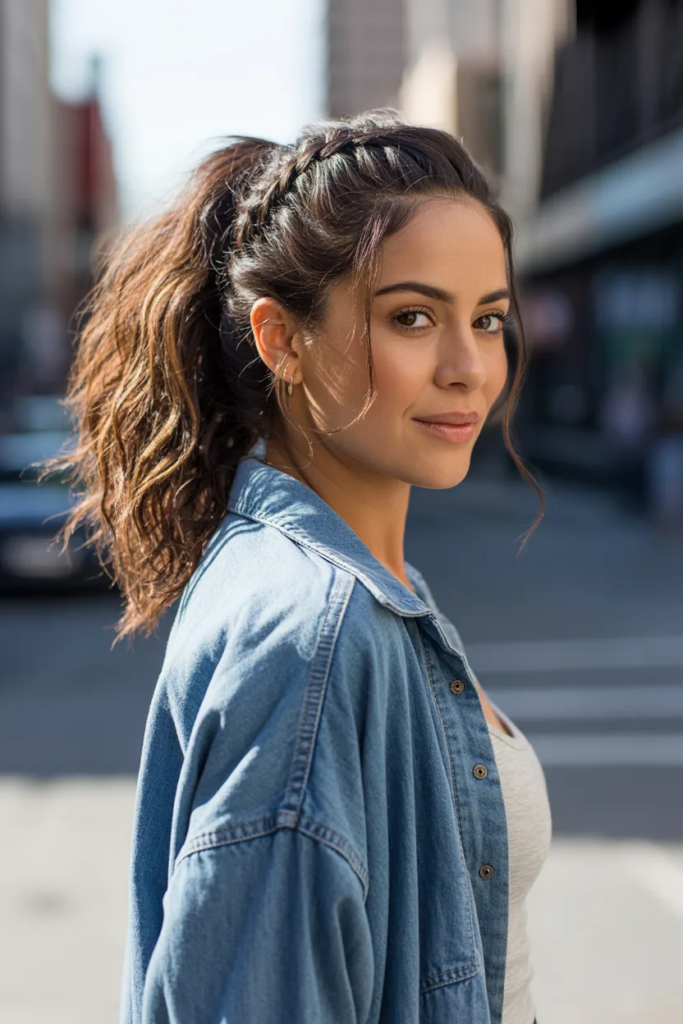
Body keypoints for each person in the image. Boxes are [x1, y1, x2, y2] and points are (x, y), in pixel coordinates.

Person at [57, 110, 552, 1024]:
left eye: (487, 320)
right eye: (412, 317)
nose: (469, 368)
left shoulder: (366, 595)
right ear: (281, 339)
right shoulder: (311, 637)